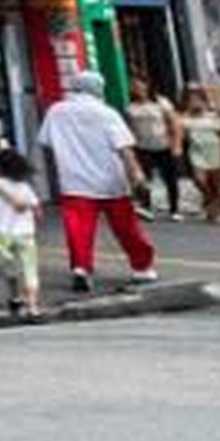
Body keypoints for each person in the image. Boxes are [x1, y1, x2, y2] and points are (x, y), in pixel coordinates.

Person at [37, 71, 159, 292]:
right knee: (126, 227)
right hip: (111, 181)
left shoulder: (56, 111)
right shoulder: (106, 113)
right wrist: (137, 176)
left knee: (78, 229)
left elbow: (46, 142)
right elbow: (125, 149)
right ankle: (142, 266)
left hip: (74, 181)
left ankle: (81, 268)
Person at [0, 145, 47, 320]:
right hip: (25, 234)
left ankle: (14, 298)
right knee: (30, 269)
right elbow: (38, 212)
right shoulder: (24, 187)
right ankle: (32, 307)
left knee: (10, 268)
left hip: (2, 236)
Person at [123, 75, 184, 217]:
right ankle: (147, 206)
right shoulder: (130, 107)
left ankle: (174, 208)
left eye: (140, 85)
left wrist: (177, 145)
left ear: (147, 86)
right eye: (134, 86)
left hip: (163, 144)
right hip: (142, 146)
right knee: (143, 178)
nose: (137, 88)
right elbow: (129, 127)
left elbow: (174, 123)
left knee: (170, 178)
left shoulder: (161, 103)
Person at [181, 84, 220, 222]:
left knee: (217, 185)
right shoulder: (184, 118)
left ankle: (217, 211)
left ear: (204, 100)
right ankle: (208, 198)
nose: (194, 102)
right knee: (199, 180)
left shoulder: (214, 116)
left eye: (197, 99)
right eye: (191, 100)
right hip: (197, 153)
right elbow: (180, 135)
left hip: (215, 151)